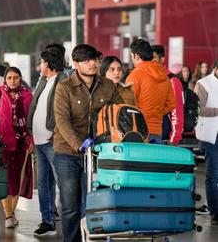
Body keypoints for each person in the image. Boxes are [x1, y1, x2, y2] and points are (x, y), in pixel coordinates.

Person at [53, 44, 122, 242]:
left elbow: (118, 113)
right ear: (75, 64)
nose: (92, 64)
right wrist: (79, 144)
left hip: (98, 153)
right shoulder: (64, 87)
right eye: (86, 60)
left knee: (94, 202)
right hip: (68, 153)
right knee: (71, 205)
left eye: (95, 59)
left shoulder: (108, 85)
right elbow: (62, 122)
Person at [0, 67, 34, 228]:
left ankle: (11, 213)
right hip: (3, 143)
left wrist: (31, 140)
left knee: (17, 178)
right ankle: (8, 215)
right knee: (5, 179)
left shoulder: (27, 96)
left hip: (22, 144)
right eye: (9, 78)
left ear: (20, 79)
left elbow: (32, 121)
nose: (12, 81)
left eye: (16, 78)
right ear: (5, 79)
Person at [27, 47, 66, 236]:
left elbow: (65, 113)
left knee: (62, 183)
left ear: (48, 64)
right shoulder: (43, 81)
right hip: (40, 141)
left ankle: (71, 221)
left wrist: (57, 132)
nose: (39, 65)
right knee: (43, 184)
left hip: (54, 141)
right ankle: (47, 221)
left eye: (41, 62)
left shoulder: (63, 81)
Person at [125, 39, 176, 141]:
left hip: (138, 131)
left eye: (131, 56)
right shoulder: (165, 77)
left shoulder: (135, 76)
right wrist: (155, 112)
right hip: (157, 130)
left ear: (136, 56)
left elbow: (128, 105)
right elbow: (171, 104)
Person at [194, 61, 218, 225]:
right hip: (211, 136)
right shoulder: (203, 84)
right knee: (213, 174)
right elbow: (198, 109)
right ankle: (215, 211)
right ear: (215, 69)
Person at [152, 45, 184, 145]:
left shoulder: (172, 80)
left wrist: (175, 138)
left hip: (164, 138)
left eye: (154, 58)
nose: (150, 61)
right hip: (148, 134)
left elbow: (177, 111)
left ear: (162, 59)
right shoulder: (147, 78)